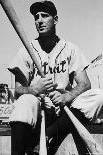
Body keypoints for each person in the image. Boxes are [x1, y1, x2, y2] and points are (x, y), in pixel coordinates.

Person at [8, 1, 103, 155]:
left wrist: (67, 96)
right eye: (36, 17)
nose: (39, 20)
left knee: (99, 96)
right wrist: (34, 89)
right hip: (37, 109)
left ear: (55, 19)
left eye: (44, 16)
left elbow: (85, 84)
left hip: (64, 111)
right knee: (25, 101)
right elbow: (17, 91)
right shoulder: (25, 50)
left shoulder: (70, 49)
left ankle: (48, 135)